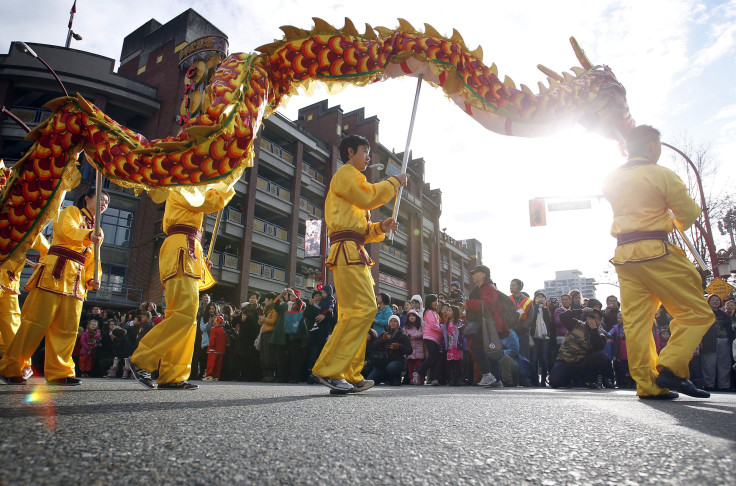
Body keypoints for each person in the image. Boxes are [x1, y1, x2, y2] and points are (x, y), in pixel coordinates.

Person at [602, 125, 714, 400]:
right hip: (656, 251)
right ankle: (673, 368)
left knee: (637, 323)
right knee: (697, 312)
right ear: (652, 146)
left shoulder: (611, 178)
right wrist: (673, 221)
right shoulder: (661, 174)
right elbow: (687, 214)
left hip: (624, 256)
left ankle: (649, 385)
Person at [310, 134, 408, 393]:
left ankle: (348, 372)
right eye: (365, 151)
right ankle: (332, 370)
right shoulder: (346, 173)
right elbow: (368, 197)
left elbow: (360, 227)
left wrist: (379, 227)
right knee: (364, 308)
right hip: (348, 251)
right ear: (351, 151)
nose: (368, 157)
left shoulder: (350, 178)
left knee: (356, 312)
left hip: (353, 249)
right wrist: (393, 183)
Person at [129, 185, 234, 390]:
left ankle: (173, 374)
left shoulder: (186, 188)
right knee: (183, 314)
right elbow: (210, 202)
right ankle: (142, 359)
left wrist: (201, 261)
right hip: (181, 249)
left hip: (186, 249)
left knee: (185, 318)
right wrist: (227, 186)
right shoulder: (184, 187)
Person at [0, 187, 108, 385]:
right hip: (56, 271)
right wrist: (88, 235)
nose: (104, 204)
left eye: (107, 203)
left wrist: (93, 277)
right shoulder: (71, 212)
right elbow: (65, 230)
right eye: (100, 199)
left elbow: (94, 258)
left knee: (67, 328)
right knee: (34, 323)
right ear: (87, 199)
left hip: (77, 279)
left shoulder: (98, 229)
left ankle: (61, 372)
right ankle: (11, 367)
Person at [0, 233, 49, 380]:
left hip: (8, 283)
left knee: (12, 326)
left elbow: (48, 251)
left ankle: (18, 365)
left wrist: (42, 265)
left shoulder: (30, 227)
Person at [464, 265, 506, 388]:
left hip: (488, 324)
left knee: (479, 347)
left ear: (483, 274)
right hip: (484, 324)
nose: (472, 275)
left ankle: (490, 375)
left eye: (475, 273)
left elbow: (487, 304)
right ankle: (495, 378)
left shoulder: (488, 287)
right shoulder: (481, 287)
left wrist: (469, 303)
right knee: (487, 349)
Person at [549, 308, 613, 389]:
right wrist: (581, 310)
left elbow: (599, 348)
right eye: (593, 318)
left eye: (599, 319)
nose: (596, 321)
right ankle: (568, 379)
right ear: (588, 319)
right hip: (566, 361)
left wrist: (593, 330)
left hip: (581, 364)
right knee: (555, 383)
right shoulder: (576, 324)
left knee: (601, 355)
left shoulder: (600, 334)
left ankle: (588, 380)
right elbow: (563, 316)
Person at [699, 294, 733, 391]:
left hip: (724, 340)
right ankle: (709, 384)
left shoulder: (724, 315)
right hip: (708, 341)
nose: (715, 302)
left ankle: (724, 385)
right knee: (708, 364)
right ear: (708, 302)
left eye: (717, 300)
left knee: (724, 364)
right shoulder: (704, 313)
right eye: (713, 300)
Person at [366, 315, 412, 385]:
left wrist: (399, 346)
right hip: (383, 362)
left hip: (396, 362)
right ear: (389, 323)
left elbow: (410, 350)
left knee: (391, 367)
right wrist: (382, 340)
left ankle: (396, 378)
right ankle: (385, 378)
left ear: (398, 323)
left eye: (395, 321)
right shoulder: (384, 334)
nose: (393, 323)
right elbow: (373, 347)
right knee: (369, 380)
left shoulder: (403, 336)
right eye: (391, 321)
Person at [526, 290, 554, 387]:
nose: (540, 300)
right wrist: (536, 306)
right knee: (534, 359)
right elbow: (531, 319)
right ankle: (535, 380)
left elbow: (548, 320)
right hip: (535, 336)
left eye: (542, 298)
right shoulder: (532, 308)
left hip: (545, 337)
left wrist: (545, 307)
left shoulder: (547, 309)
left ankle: (543, 381)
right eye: (538, 298)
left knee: (544, 359)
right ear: (534, 299)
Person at [417, 294, 442, 386]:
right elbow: (433, 325)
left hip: (435, 339)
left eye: (437, 301)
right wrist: (442, 330)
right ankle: (419, 372)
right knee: (432, 356)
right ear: (429, 302)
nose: (436, 303)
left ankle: (433, 378)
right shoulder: (429, 312)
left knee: (435, 358)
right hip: (429, 337)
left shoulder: (434, 313)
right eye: (434, 301)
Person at [508, 279, 533, 360]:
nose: (510, 286)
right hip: (510, 331)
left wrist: (523, 327)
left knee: (524, 356)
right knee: (512, 356)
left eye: (513, 285)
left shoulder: (528, 301)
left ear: (519, 287)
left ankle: (525, 372)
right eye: (510, 285)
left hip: (523, 333)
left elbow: (531, 316)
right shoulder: (507, 299)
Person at [442, 305, 464, 386]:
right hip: (450, 346)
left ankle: (458, 379)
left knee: (458, 363)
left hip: (457, 346)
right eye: (447, 311)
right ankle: (451, 378)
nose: (447, 312)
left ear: (454, 313)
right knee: (450, 363)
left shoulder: (460, 323)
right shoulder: (446, 323)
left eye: (449, 311)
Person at [404, 310, 424, 385]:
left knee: (419, 365)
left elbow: (423, 333)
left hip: (419, 347)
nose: (411, 317)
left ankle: (421, 379)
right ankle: (411, 379)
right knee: (410, 365)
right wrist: (408, 337)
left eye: (413, 316)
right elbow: (404, 334)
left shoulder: (421, 325)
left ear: (417, 317)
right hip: (410, 348)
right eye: (410, 316)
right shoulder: (406, 326)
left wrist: (414, 336)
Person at [204, 315, 226, 381]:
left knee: (211, 363)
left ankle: (209, 375)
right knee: (218, 364)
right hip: (221, 350)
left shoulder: (213, 329)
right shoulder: (222, 330)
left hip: (213, 350)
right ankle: (216, 376)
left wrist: (211, 347)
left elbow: (212, 340)